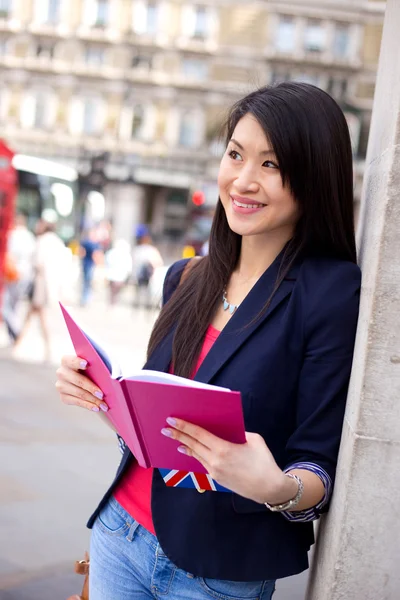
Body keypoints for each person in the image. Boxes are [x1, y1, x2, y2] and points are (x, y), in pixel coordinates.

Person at [55, 83, 361, 599]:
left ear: (314, 175)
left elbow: (320, 464)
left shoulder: (329, 293)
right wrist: (102, 397)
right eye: (236, 154)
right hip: (120, 531)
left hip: (219, 570)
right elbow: (158, 430)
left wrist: (277, 488)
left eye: (272, 164)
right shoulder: (186, 278)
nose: (243, 180)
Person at [16, 216, 69, 361]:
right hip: (51, 284)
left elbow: (37, 262)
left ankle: (46, 347)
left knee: (40, 315)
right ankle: (18, 343)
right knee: (32, 314)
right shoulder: (58, 242)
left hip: (40, 284)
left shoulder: (42, 241)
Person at [1, 212, 36, 343]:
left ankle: (16, 329)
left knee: (5, 305)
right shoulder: (30, 236)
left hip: (13, 274)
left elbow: (9, 255)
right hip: (26, 275)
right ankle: (13, 334)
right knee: (16, 304)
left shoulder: (13, 235)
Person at [131, 227, 164, 309]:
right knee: (147, 293)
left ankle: (137, 307)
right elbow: (158, 263)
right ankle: (146, 308)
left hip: (138, 275)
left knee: (138, 292)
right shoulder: (151, 250)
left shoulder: (136, 250)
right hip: (148, 275)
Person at [104, 239, 133, 305]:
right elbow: (129, 266)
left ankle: (112, 302)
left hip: (111, 275)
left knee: (112, 291)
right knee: (116, 291)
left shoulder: (110, 253)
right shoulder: (125, 254)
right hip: (120, 276)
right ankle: (114, 302)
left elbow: (106, 263)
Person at [79, 228, 102, 307]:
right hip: (90, 265)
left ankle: (84, 299)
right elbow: (96, 255)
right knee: (88, 283)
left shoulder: (85, 242)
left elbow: (81, 252)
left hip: (85, 264)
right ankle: (86, 299)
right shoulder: (94, 244)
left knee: (85, 282)